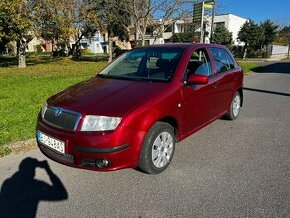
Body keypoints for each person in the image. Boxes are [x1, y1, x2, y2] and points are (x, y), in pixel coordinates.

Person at [0, 158, 68, 218]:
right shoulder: (36, 186)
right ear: (32, 171)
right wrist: (48, 169)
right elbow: (62, 194)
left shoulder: (7, 183)